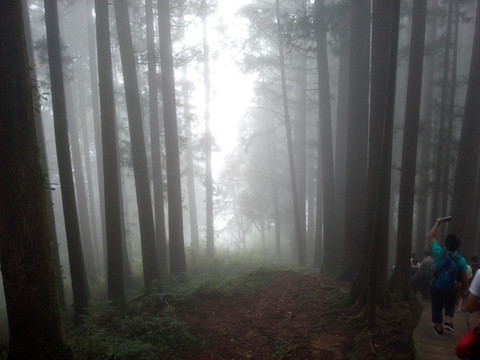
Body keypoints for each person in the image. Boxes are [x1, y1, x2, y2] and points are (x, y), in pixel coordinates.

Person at [429, 217, 469, 335]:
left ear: (445, 244)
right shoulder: (461, 260)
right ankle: (448, 321)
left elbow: (431, 236)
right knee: (450, 304)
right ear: (457, 246)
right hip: (451, 288)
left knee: (437, 304)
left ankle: (438, 326)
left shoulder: (438, 252)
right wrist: (464, 290)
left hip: (436, 286)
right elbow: (464, 278)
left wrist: (438, 223)